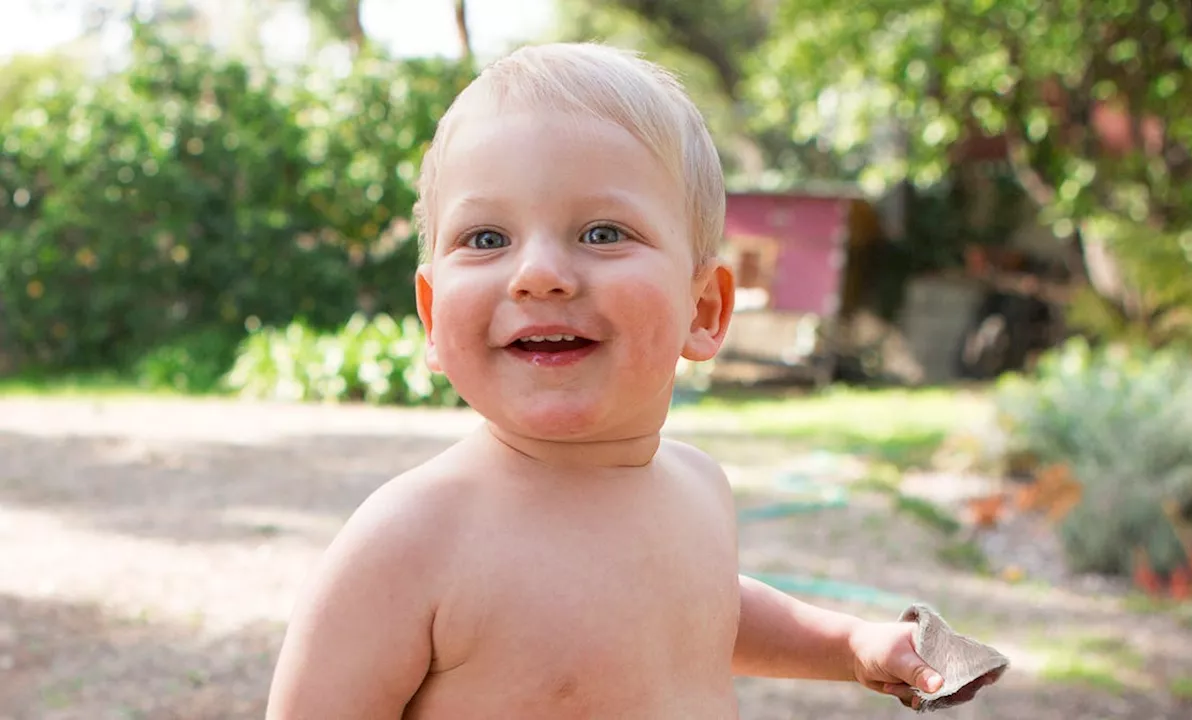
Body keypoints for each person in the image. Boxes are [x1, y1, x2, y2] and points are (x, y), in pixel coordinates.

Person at [265, 42, 945, 719]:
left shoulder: (699, 489)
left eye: (601, 233)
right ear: (433, 314)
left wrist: (850, 645)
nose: (537, 273)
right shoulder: (411, 539)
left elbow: (703, 613)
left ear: (703, 310)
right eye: (485, 238)